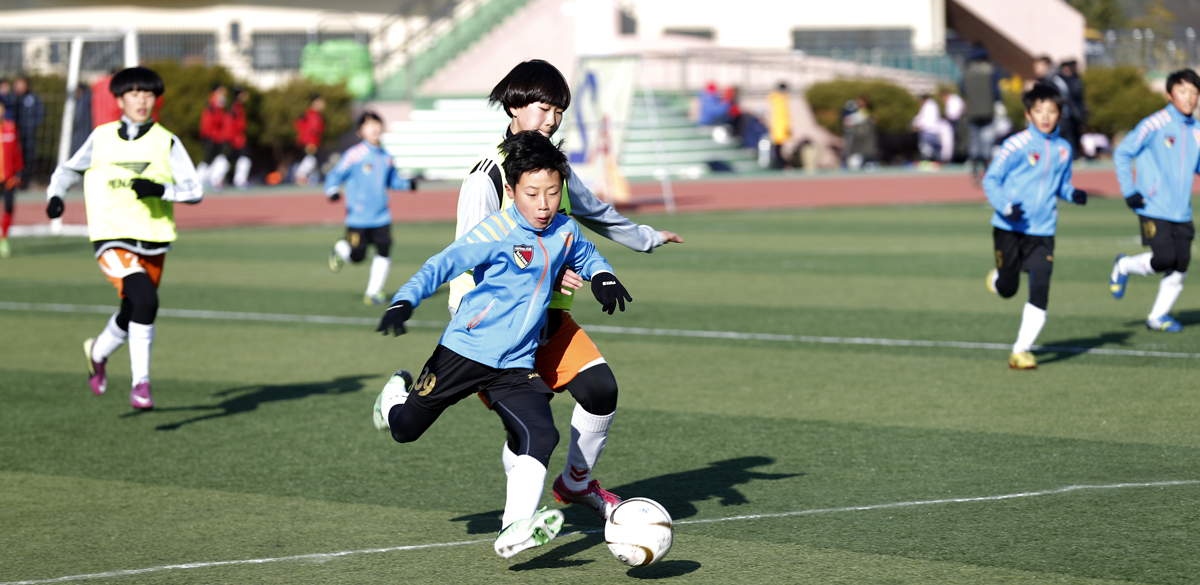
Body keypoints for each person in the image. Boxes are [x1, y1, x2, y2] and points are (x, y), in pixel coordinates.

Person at [371, 130, 632, 558]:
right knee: (404, 430)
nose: (545, 204)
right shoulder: (495, 231)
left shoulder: (563, 229)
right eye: (532, 194)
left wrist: (602, 274)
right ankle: (393, 399)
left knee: (541, 432)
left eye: (553, 192)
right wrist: (405, 299)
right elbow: (441, 264)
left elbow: (585, 253)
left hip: (516, 363)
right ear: (511, 191)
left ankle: (513, 529)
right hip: (464, 353)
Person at [448, 59, 683, 522]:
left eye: (559, 110)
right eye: (543, 107)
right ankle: (518, 522)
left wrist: (646, 238)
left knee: (601, 390)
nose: (552, 119)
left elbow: (596, 212)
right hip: (491, 326)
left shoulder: (554, 168)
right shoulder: (486, 177)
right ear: (515, 106)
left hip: (548, 319)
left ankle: (575, 483)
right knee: (530, 427)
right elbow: (471, 259)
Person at [45, 66, 203, 409]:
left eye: (148, 94)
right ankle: (141, 384)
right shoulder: (101, 137)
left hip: (154, 238)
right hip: (110, 236)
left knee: (132, 308)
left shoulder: (167, 140)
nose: (142, 100)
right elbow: (68, 169)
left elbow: (195, 190)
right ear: (119, 99)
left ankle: (97, 353)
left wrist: (161, 190)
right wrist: (56, 195)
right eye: (134, 93)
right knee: (146, 302)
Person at [983, 82, 1087, 370]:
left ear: (1059, 113)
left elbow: (1062, 185)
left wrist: (1072, 194)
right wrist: (1005, 206)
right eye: (1039, 110)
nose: (1045, 116)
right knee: (1008, 288)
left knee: (1040, 287)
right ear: (1028, 114)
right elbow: (990, 179)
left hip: (1043, 232)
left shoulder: (1064, 149)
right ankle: (998, 279)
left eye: (1051, 111)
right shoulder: (1015, 144)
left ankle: (1021, 350)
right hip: (1009, 228)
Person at [1108, 69, 1200, 332]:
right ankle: (1123, 265)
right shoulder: (1155, 123)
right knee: (1163, 259)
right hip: (1152, 205)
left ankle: (1157, 317)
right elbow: (1123, 153)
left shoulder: (1197, 131)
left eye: (1194, 92)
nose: (1190, 97)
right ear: (1169, 94)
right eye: (1183, 91)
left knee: (1181, 264)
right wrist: (1129, 190)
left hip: (1182, 210)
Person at [324, 111, 416, 305]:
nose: (374, 128)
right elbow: (335, 175)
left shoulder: (387, 157)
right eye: (368, 125)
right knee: (357, 256)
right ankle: (341, 248)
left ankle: (373, 292)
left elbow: (393, 181)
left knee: (384, 250)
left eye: (377, 123)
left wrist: (408, 184)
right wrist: (332, 190)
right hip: (358, 218)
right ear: (360, 131)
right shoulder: (354, 155)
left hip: (382, 216)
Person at [963, 46, 1000, 184]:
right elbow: (996, 92)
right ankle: (987, 174)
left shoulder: (968, 73)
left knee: (974, 145)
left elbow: (963, 89)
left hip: (973, 114)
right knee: (987, 146)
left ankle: (975, 173)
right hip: (988, 114)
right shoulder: (991, 71)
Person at [0, 99, 22, 258]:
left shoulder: (11, 127)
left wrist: (19, 171)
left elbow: (16, 151)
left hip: (8, 178)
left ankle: (4, 238)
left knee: (9, 207)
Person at [197, 84, 230, 189]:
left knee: (220, 159)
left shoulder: (220, 106)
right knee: (208, 159)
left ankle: (213, 180)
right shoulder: (211, 105)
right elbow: (209, 123)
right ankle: (198, 179)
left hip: (218, 138)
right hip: (211, 137)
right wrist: (209, 137)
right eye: (221, 91)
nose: (223, 94)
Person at [12, 76, 43, 184]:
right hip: (13, 135)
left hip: (28, 135)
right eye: (17, 84)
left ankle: (25, 182)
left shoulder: (33, 99)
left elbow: (40, 114)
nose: (18, 87)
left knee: (28, 158)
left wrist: (31, 125)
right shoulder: (11, 99)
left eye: (21, 84)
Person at [294, 94, 326, 185]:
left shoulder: (314, 114)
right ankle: (300, 175)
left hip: (311, 141)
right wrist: (310, 143)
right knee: (311, 159)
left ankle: (307, 177)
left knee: (312, 160)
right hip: (309, 142)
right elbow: (311, 129)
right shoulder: (312, 114)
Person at [228, 87, 252, 189]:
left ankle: (240, 179)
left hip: (237, 137)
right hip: (236, 138)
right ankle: (240, 180)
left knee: (241, 158)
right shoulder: (236, 107)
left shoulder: (238, 107)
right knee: (243, 157)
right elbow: (233, 124)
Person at [767, 82, 791, 169]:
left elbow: (786, 116)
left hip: (781, 128)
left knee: (780, 148)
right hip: (778, 128)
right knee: (778, 148)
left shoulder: (783, 99)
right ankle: (780, 165)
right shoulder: (777, 99)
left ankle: (781, 164)